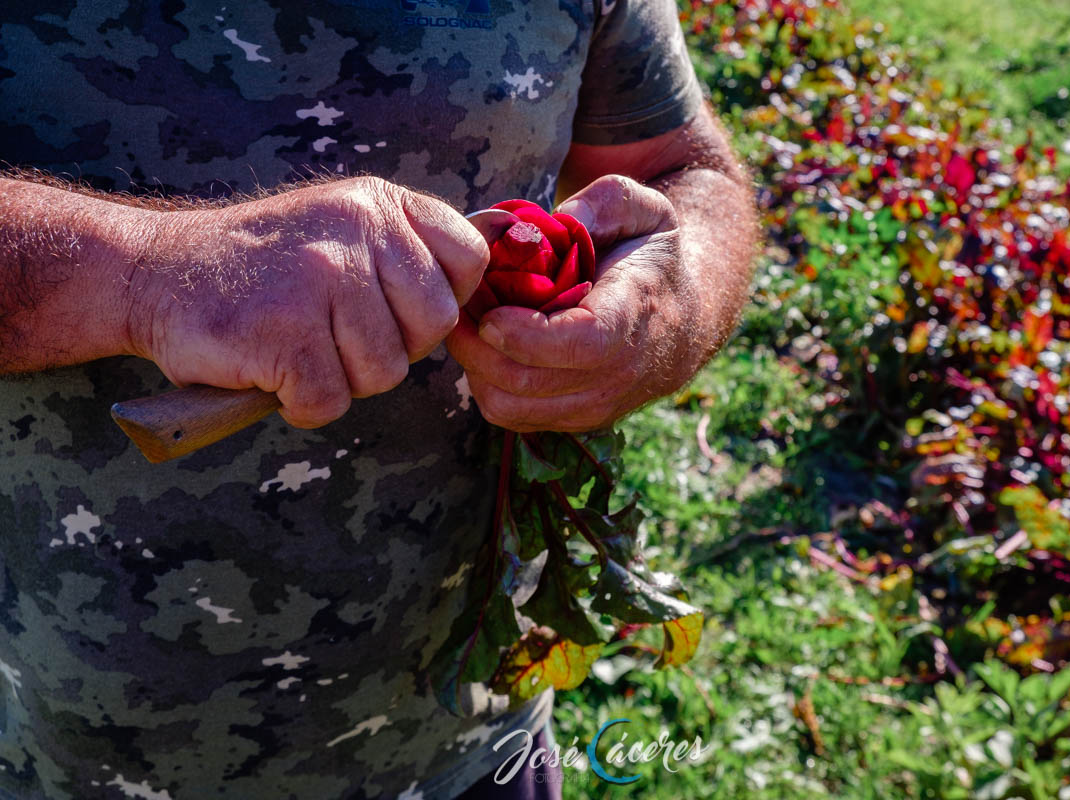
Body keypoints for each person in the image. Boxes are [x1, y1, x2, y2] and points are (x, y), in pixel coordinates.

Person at [0, 1, 756, 798]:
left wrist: (673, 305)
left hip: (473, 732)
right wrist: (143, 273)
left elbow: (685, 165)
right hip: (72, 753)